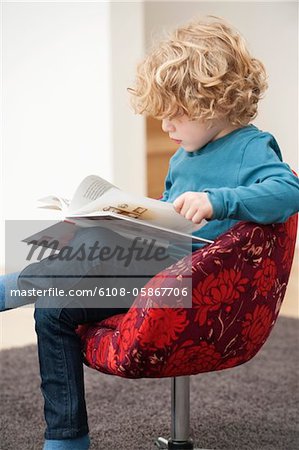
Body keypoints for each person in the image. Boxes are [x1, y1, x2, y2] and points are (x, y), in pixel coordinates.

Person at [1, 15, 299, 450]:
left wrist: (220, 201)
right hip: (156, 268)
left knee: (83, 262)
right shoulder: (184, 155)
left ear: (210, 102)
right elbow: (168, 218)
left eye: (174, 114)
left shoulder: (251, 147)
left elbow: (288, 191)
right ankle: (67, 438)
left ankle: (18, 284)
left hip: (195, 285)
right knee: (55, 307)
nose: (166, 127)